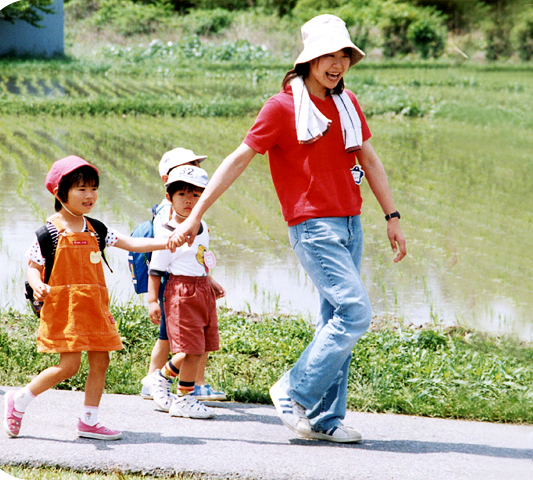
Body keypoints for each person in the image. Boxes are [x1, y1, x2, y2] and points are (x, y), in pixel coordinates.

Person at [168, 14, 407, 443]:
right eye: (328, 56)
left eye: (344, 56)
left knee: (335, 320)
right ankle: (292, 391)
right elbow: (236, 161)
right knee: (355, 312)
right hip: (312, 226)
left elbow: (369, 160)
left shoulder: (347, 105)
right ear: (309, 60)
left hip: (351, 225)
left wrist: (392, 217)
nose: (337, 65)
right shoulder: (281, 108)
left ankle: (324, 419)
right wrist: (194, 215)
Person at [4, 155, 169, 440]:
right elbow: (33, 267)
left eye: (93, 188)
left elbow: (132, 243)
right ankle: (19, 401)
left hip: (94, 307)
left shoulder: (97, 229)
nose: (89, 195)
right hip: (65, 309)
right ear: (60, 193)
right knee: (69, 366)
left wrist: (169, 241)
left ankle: (89, 421)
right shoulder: (49, 234)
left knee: (100, 362)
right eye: (81, 189)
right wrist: (37, 285)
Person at [140, 148, 226, 402]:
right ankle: (170, 381)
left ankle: (173, 385)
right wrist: (153, 300)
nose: (195, 172)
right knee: (178, 340)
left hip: (196, 284)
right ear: (169, 183)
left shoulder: (197, 218)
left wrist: (208, 279)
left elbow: (197, 254)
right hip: (176, 284)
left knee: (189, 340)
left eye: (197, 167)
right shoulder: (168, 220)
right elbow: (160, 262)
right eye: (189, 166)